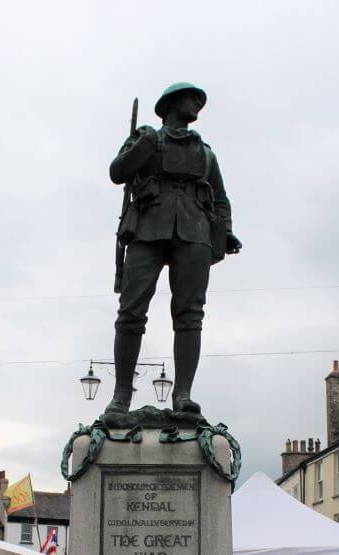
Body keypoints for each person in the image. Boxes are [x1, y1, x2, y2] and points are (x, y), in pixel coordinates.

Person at [106, 82, 242, 418]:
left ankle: (182, 396)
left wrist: (225, 231)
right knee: (130, 312)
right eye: (190, 97)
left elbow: (221, 198)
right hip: (148, 227)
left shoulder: (205, 153)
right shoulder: (147, 138)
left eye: (200, 100)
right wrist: (143, 145)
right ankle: (121, 396)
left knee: (190, 316)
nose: (197, 102)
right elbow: (117, 172)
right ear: (169, 104)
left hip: (194, 232)